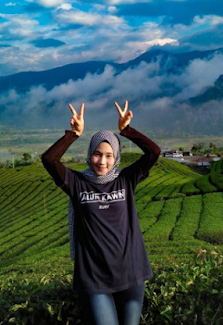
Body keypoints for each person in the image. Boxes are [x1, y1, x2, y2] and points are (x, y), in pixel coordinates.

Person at [41, 101, 161, 325]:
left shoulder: (126, 179)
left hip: (132, 272)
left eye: (108, 155)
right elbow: (49, 160)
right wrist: (73, 134)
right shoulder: (77, 183)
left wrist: (127, 131)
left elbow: (154, 152)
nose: (102, 161)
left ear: (116, 157)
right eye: (97, 154)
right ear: (90, 154)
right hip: (95, 278)